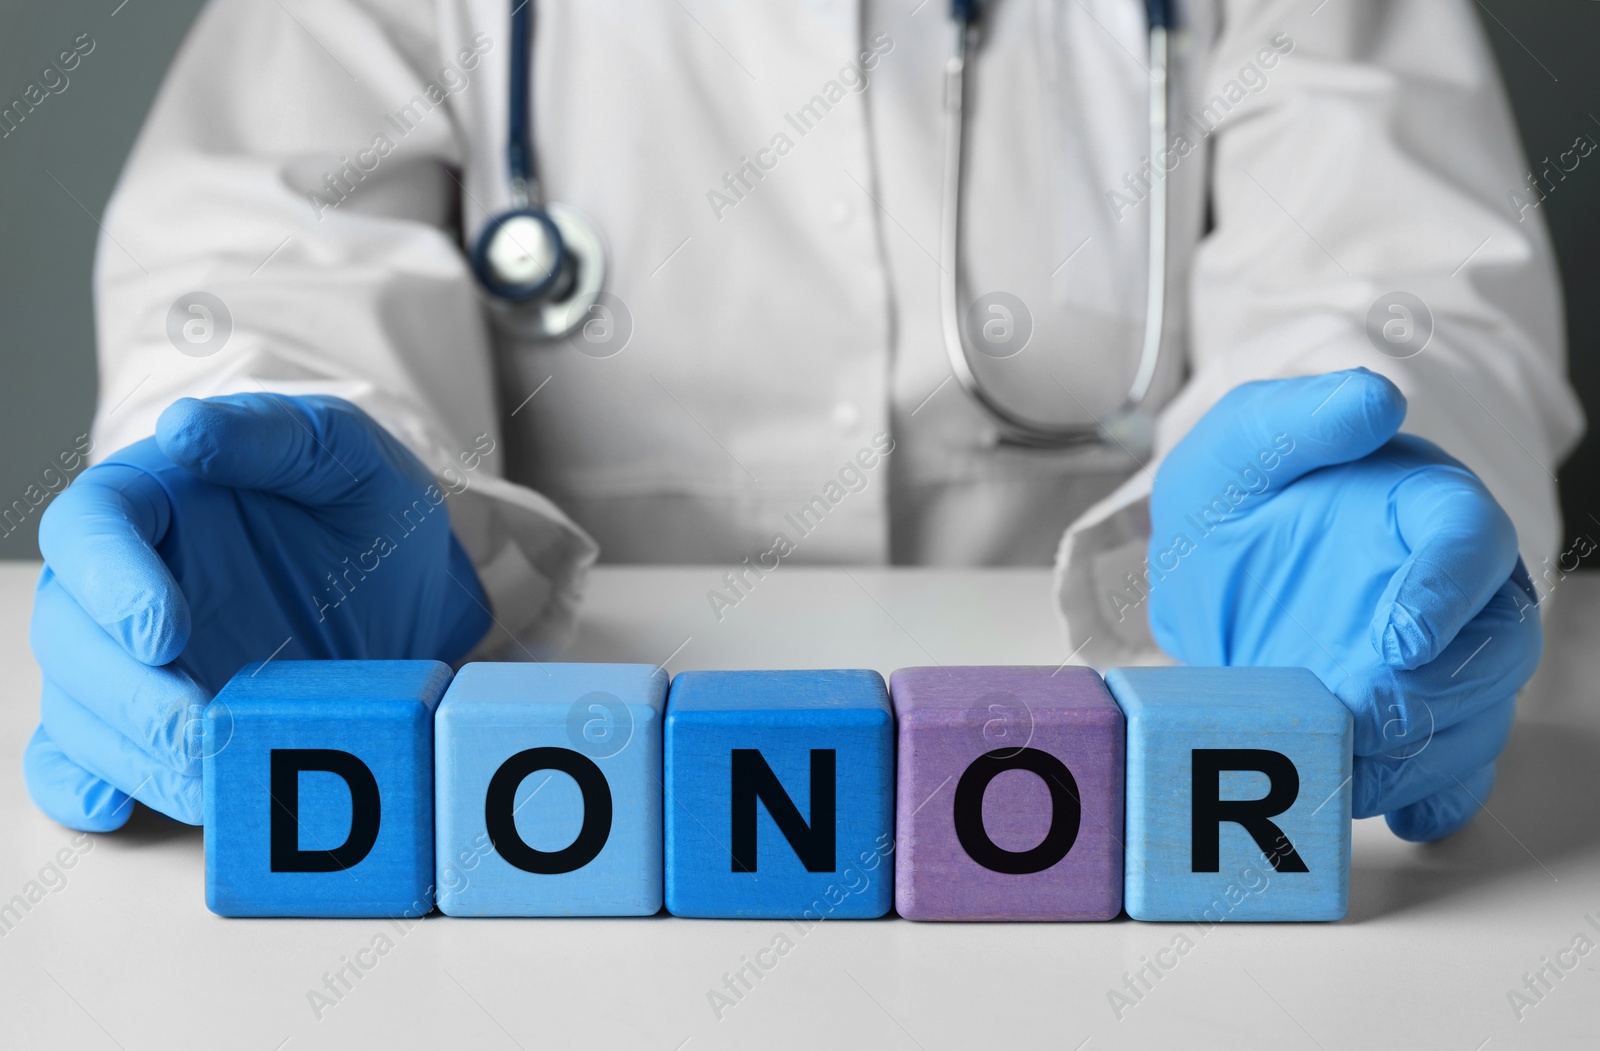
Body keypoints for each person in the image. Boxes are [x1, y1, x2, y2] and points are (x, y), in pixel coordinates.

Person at [25, 0, 1581, 847]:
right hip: (561, 778)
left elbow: (1393, 272)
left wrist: (1358, 487)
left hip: (1106, 771)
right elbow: (256, 261)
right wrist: (262, 471)